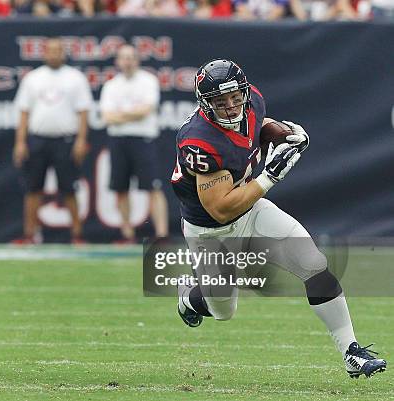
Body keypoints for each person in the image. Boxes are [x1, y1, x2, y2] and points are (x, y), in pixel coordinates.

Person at [172, 59, 386, 378]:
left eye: (235, 97)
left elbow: (259, 128)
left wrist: (285, 136)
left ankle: (351, 352)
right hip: (210, 230)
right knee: (222, 310)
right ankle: (190, 296)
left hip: (251, 209)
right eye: (220, 101)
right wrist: (269, 176)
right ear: (205, 104)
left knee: (313, 263)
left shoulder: (253, 100)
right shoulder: (200, 140)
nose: (231, 106)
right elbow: (221, 209)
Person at [12, 37, 92, 244]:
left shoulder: (75, 78)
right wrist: (20, 142)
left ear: (63, 53)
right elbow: (23, 111)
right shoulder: (33, 78)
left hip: (65, 141)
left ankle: (77, 234)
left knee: (69, 188)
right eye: (51, 50)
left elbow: (83, 111)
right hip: (37, 140)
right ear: (45, 53)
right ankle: (30, 234)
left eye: (58, 50)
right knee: (32, 188)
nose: (54, 54)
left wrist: (81, 140)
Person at [100, 45, 168, 243]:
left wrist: (121, 114)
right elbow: (107, 117)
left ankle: (161, 235)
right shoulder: (111, 86)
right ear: (117, 61)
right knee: (121, 189)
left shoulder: (148, 81)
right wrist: (133, 113)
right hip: (119, 141)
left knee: (153, 187)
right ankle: (127, 234)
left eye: (131, 57)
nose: (127, 61)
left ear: (137, 60)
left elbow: (146, 110)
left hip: (143, 139)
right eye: (124, 58)